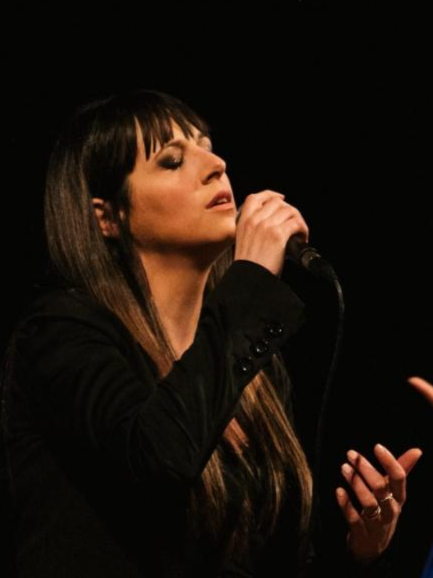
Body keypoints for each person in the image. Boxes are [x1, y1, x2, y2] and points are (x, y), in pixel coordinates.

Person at [0, 89, 422, 578]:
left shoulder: (257, 373)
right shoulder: (60, 333)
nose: (217, 165)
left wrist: (361, 554)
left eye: (208, 146)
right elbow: (157, 459)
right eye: (172, 160)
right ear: (108, 217)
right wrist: (252, 281)